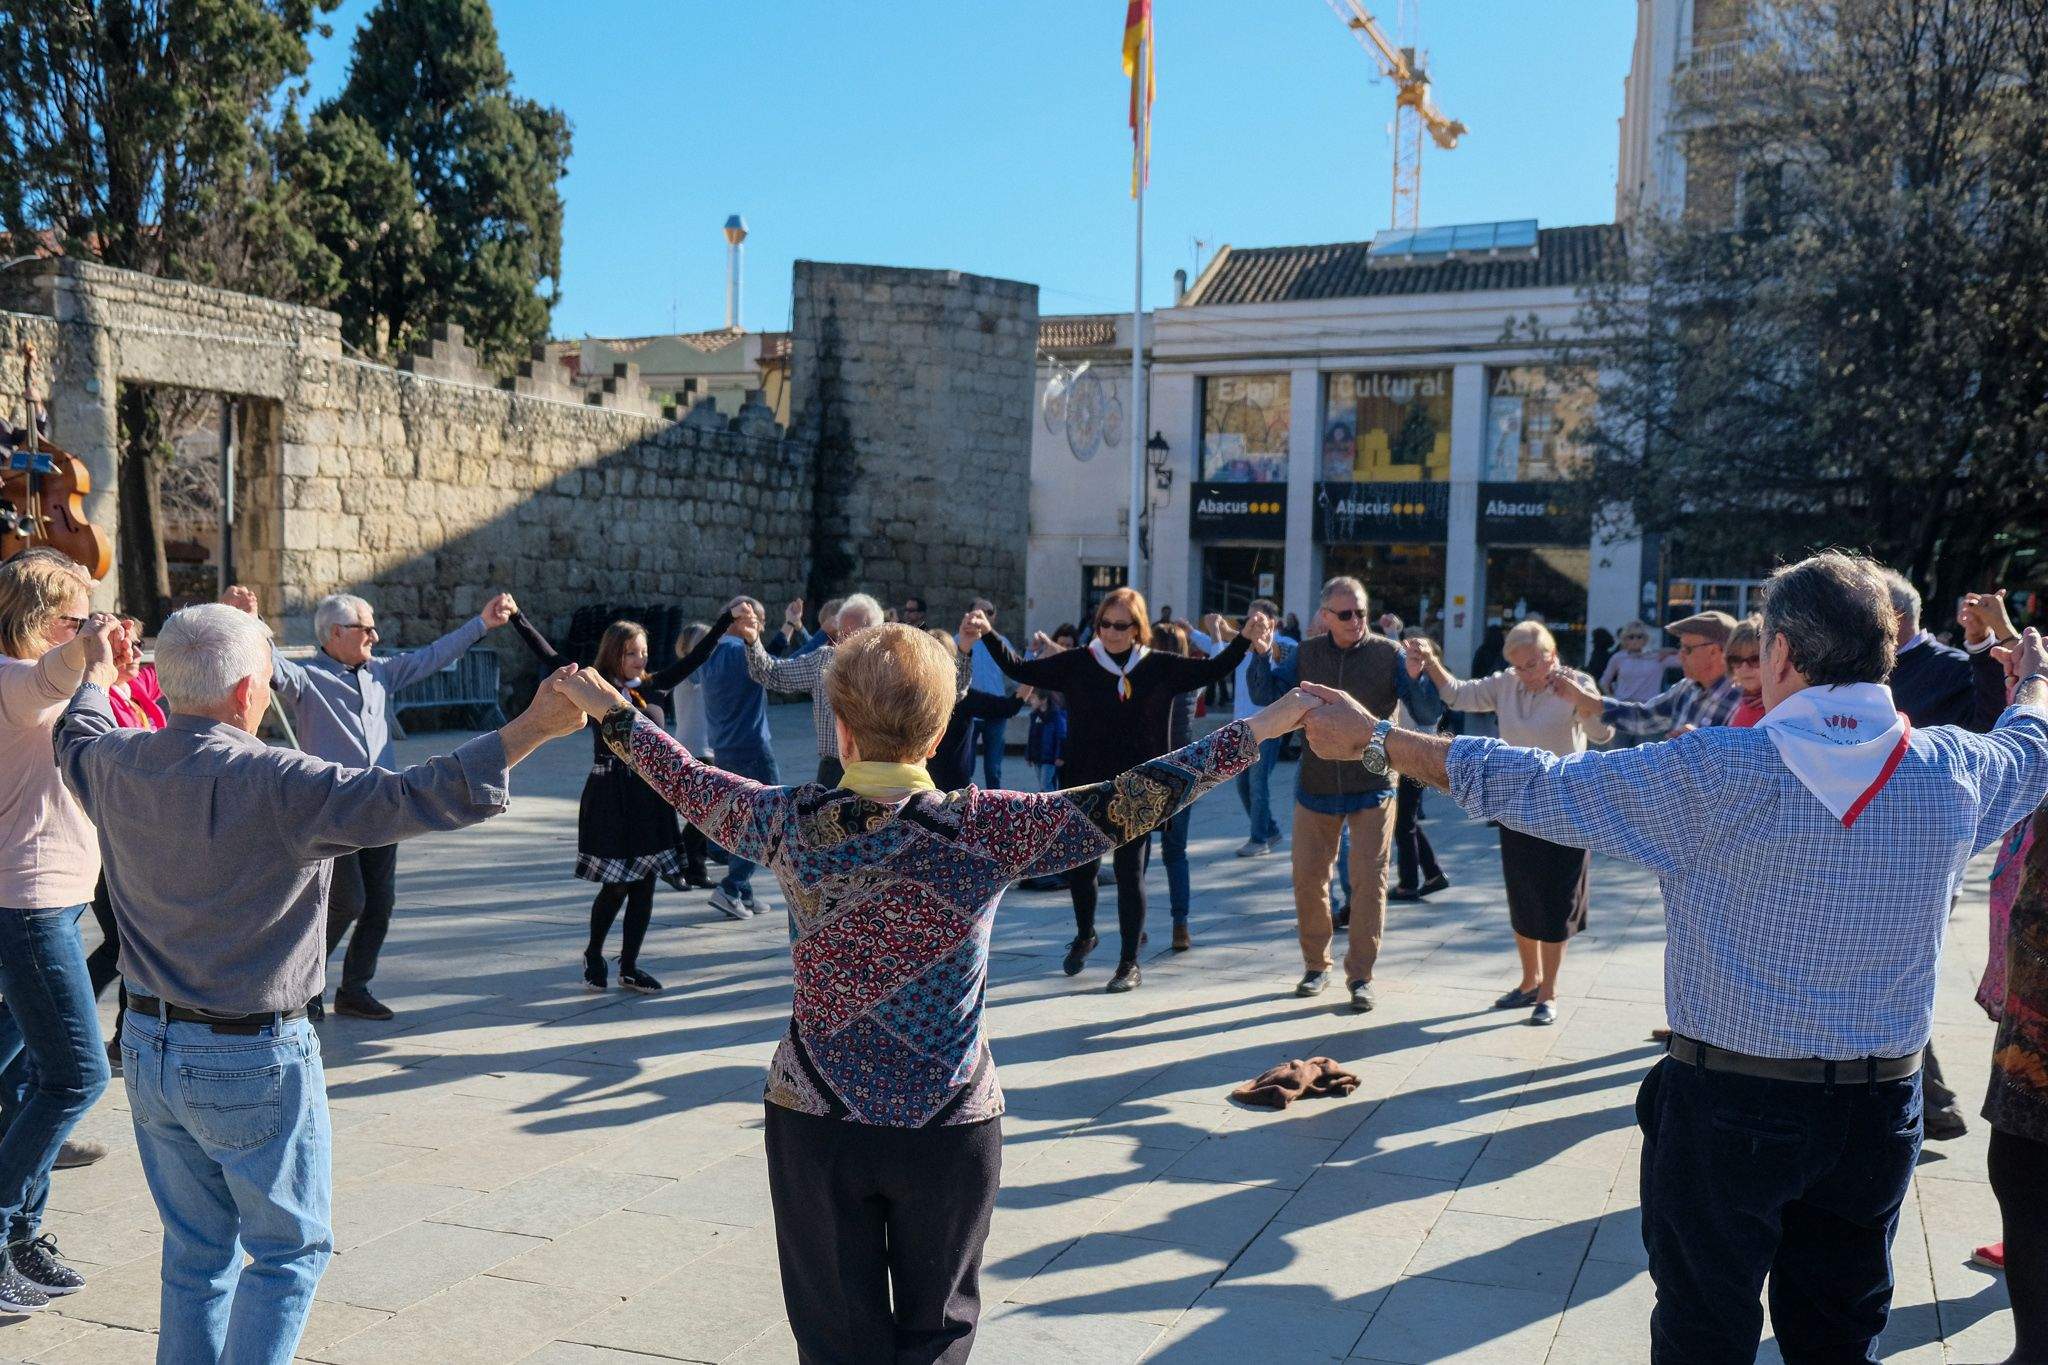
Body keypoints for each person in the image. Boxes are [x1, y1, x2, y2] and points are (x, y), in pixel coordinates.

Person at [1298, 551, 2048, 1363]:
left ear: (1785, 655)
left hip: (1731, 1106)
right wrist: (2035, 675)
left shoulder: (1714, 770)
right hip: (1877, 1109)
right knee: (1839, 1335)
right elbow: (2032, 743)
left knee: (1702, 1334)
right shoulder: (1956, 772)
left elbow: (1537, 784)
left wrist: (1376, 740)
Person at [547, 622, 1323, 1363]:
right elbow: (1133, 797)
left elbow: (685, 778)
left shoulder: (786, 820)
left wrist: (612, 710)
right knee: (936, 1338)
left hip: (818, 1117)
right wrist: (1267, 722)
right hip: (949, 1122)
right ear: (940, 731)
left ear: (842, 730)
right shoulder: (991, 827)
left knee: (833, 1345)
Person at [56, 605, 586, 1365]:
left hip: (147, 1044)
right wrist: (531, 727)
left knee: (195, 1251)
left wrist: (94, 670)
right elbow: (416, 794)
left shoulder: (118, 761)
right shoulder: (277, 779)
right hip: (249, 1054)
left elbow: (73, 735)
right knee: (287, 1251)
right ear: (246, 691)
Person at [226, 585, 517, 1021]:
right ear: (336, 633)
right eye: (366, 629)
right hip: (332, 808)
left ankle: (355, 989)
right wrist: (248, 621)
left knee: (380, 903)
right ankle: (303, 985)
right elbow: (271, 665)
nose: (375, 637)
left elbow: (432, 656)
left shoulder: (381, 673)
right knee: (348, 901)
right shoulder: (309, 679)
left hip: (383, 803)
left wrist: (483, 623)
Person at [982, 587, 1250, 991]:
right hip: (1085, 783)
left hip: (1137, 787)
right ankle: (1086, 933)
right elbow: (1022, 670)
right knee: (1081, 869)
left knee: (1130, 873)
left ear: (1137, 627)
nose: (1110, 632)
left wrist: (1244, 637)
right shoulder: (1079, 663)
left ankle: (1129, 963)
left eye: (1120, 625)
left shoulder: (1157, 666)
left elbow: (1212, 670)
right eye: (1105, 623)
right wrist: (987, 634)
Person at [1247, 576, 1444, 1011]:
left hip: (1373, 783)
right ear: (1325, 616)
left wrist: (1417, 676)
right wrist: (1260, 653)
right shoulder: (1307, 653)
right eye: (1346, 614)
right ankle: (1316, 966)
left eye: (1361, 612)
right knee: (1308, 880)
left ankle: (1361, 976)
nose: (1356, 621)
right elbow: (1266, 695)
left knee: (1368, 884)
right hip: (1315, 784)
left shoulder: (1387, 653)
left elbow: (1427, 711)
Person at [0, 552, 112, 1312]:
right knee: (78, 1073)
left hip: (59, 896)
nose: (87, 629)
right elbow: (54, 679)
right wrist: (92, 654)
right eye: (74, 615)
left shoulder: (48, 676)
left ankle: (24, 1235)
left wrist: (98, 654)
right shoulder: (13, 678)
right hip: (30, 901)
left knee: (19, 1076)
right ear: (36, 618)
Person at [509, 608, 732, 987]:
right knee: (615, 885)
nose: (639, 659)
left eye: (643, 652)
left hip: (649, 797)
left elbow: (696, 657)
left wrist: (725, 620)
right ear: (614, 654)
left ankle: (629, 965)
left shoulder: (654, 687)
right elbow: (549, 657)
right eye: (631, 653)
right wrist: (517, 617)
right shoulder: (594, 688)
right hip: (611, 796)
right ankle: (594, 953)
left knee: (645, 885)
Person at [1410, 620, 1612, 1025]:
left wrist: (1584, 701)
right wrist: (1431, 661)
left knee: (1558, 900)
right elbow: (1457, 694)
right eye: (1518, 666)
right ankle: (1528, 981)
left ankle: (1549, 992)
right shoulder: (1507, 684)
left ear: (1551, 655)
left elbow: (1602, 733)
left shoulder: (1576, 683)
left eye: (1532, 664)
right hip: (1515, 806)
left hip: (1567, 810)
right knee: (1522, 894)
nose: (1525, 673)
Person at [88, 617, 161, 1074]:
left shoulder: (137, 694)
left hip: (139, 841)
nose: (136, 655)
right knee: (123, 941)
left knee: (128, 942)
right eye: (126, 650)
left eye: (137, 647)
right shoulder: (100, 701)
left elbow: (177, 663)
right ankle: (110, 1031)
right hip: (105, 842)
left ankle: (123, 1036)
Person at [743, 594, 900, 786]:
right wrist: (752, 641)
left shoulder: (892, 667)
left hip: (880, 772)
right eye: (842, 634)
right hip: (833, 770)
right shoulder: (824, 660)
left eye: (856, 636)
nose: (846, 642)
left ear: (875, 635)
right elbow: (772, 673)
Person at [692, 596, 783, 919]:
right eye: (757, 621)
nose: (760, 628)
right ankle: (732, 886)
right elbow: (781, 670)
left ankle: (743, 891)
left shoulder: (711, 653)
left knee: (741, 819)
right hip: (752, 748)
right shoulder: (741, 654)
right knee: (766, 821)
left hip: (724, 748)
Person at [1191, 599, 1295, 857]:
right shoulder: (1242, 646)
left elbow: (1277, 650)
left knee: (1258, 785)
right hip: (1241, 727)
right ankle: (1270, 830)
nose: (1251, 624)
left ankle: (1259, 839)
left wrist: (1229, 632)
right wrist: (1192, 630)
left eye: (1256, 619)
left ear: (1273, 622)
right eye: (1248, 620)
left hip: (1270, 726)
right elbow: (1213, 649)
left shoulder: (1287, 645)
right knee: (1243, 786)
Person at [1574, 609, 1741, 741]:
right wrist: (1584, 699)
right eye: (1680, 648)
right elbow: (1644, 716)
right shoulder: (1686, 689)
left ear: (1715, 651)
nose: (1680, 655)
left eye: (1687, 649)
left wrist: (1704, 742)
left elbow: (1745, 764)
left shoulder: (1744, 698)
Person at [1148, 623, 1203, 951]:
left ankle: (1136, 926)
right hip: (1183, 775)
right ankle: (1180, 926)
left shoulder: (1147, 682)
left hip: (1149, 773)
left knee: (1136, 855)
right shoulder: (1191, 683)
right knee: (1175, 853)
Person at [1388, 627, 1450, 905]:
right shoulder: (1411, 677)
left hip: (1416, 758)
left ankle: (1409, 884)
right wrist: (1392, 632)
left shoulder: (1428, 684)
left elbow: (1423, 715)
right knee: (1406, 820)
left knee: (1403, 823)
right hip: (1408, 756)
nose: (1408, 654)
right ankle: (1433, 873)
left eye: (1415, 650)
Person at [668, 622, 718, 888]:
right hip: (695, 750)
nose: (710, 645)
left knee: (706, 815)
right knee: (706, 815)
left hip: (706, 749)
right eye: (703, 640)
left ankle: (695, 866)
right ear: (686, 647)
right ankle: (686, 861)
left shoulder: (704, 672)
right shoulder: (690, 672)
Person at [965, 598, 1015, 789]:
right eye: (979, 612)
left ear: (994, 617)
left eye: (989, 612)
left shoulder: (1002, 642)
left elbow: (1017, 669)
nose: (983, 617)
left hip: (996, 710)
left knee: (993, 768)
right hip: (970, 712)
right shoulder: (959, 640)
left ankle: (996, 805)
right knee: (966, 766)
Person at [1598, 620, 1671, 705]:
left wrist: (1673, 650)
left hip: (1649, 706)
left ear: (1645, 639)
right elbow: (1604, 681)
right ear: (1625, 639)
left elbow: (1684, 660)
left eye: (1639, 636)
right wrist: (1612, 699)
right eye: (1631, 637)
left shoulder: (1658, 657)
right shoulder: (1618, 657)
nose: (1635, 640)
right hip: (1623, 706)